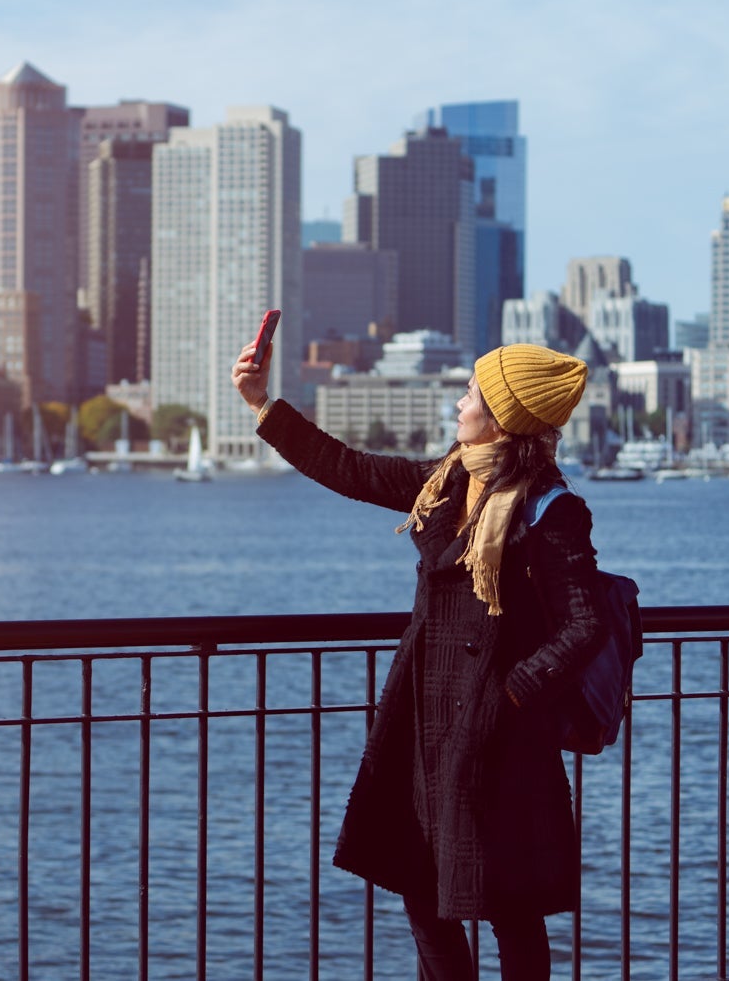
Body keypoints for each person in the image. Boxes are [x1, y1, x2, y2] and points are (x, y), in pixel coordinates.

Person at [231, 338, 606, 981]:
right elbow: (349, 469)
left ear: (501, 416)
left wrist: (510, 695)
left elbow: (585, 624)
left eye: (470, 395)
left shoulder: (551, 510)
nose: (458, 404)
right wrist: (263, 404)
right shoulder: (447, 481)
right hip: (426, 721)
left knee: (509, 904)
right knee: (420, 882)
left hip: (498, 736)